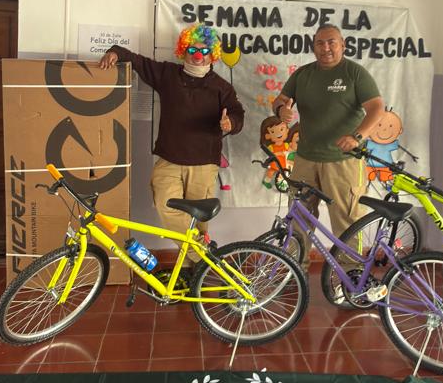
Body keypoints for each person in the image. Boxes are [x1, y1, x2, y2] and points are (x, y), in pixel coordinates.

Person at [98, 26, 244, 235]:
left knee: (198, 220)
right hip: (169, 160)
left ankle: (193, 256)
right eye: (192, 50)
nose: (198, 56)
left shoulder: (222, 87)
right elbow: (137, 61)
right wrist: (114, 52)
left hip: (203, 164)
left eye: (204, 51)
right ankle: (198, 252)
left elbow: (238, 114)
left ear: (212, 54)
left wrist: (231, 122)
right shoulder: (167, 74)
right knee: (164, 204)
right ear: (184, 50)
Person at [270, 24, 384, 237]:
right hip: (305, 159)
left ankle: (349, 261)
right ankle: (296, 260)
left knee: (348, 221)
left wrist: (357, 137)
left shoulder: (354, 73)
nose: (326, 48)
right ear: (313, 47)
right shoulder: (302, 74)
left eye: (332, 42)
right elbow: (280, 100)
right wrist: (280, 110)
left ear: (343, 45)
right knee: (298, 220)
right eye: (320, 43)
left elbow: (377, 108)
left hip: (344, 161)